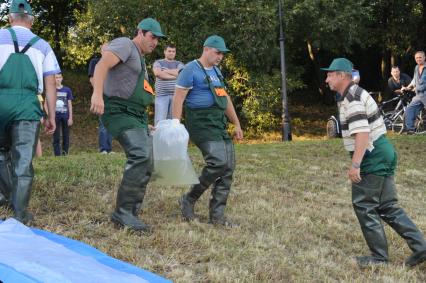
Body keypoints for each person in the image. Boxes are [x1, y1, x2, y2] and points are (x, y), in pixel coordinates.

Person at [322, 58, 426, 267]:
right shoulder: (355, 93)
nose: (326, 79)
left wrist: (355, 165)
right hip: (384, 150)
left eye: (330, 74)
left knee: (364, 205)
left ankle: (379, 258)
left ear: (342, 75)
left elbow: (361, 133)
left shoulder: (351, 98)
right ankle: (421, 247)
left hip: (372, 155)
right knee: (388, 206)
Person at [90, 18, 166, 232]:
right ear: (140, 32)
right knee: (140, 154)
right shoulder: (126, 44)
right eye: (152, 37)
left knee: (148, 159)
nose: (155, 43)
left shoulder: (140, 58)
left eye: (158, 40)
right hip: (118, 111)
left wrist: (145, 124)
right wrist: (97, 94)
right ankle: (122, 213)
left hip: (135, 115)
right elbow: (102, 64)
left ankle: (132, 211)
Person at [173, 35, 243, 227]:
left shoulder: (217, 72)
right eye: (217, 52)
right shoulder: (190, 70)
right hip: (200, 123)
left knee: (228, 167)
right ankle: (189, 198)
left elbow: (225, 98)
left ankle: (217, 216)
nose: (220, 56)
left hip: (217, 122)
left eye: (222, 54)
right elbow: (178, 98)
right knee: (218, 162)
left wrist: (236, 123)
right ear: (206, 49)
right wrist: (176, 125)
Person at [0, 0, 59, 224]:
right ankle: (20, 212)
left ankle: (6, 194)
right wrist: (51, 115)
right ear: (32, 21)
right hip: (27, 104)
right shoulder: (42, 45)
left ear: (10, 18)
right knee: (23, 160)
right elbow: (51, 82)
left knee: (1, 153)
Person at [88, 44, 113, 154]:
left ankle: (109, 148)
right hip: (101, 95)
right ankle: (103, 149)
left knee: (111, 122)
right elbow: (92, 79)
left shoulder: (113, 63)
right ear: (101, 50)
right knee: (103, 122)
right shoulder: (94, 62)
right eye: (105, 49)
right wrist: (99, 93)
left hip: (112, 96)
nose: (107, 51)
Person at [153, 44, 184, 125]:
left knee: (173, 123)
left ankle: (171, 138)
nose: (171, 53)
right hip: (161, 96)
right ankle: (158, 137)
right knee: (160, 122)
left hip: (175, 96)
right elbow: (158, 74)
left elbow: (182, 74)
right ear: (165, 52)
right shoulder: (158, 62)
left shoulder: (179, 63)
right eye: (169, 51)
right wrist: (175, 76)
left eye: (173, 51)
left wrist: (165, 71)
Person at [402, 51, 426, 134]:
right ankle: (410, 130)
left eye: (420, 57)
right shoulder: (416, 67)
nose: (418, 59)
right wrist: (408, 87)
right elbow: (414, 80)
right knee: (409, 109)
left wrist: (417, 87)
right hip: (419, 95)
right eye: (416, 58)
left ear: (424, 57)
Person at [52, 73, 73, 156]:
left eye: (59, 77)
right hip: (55, 117)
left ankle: (65, 154)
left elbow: (70, 104)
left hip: (65, 116)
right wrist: (50, 115)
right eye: (56, 77)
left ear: (62, 78)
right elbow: (46, 103)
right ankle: (57, 155)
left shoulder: (67, 90)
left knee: (66, 136)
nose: (58, 79)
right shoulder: (52, 90)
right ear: (54, 79)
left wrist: (70, 117)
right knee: (56, 137)